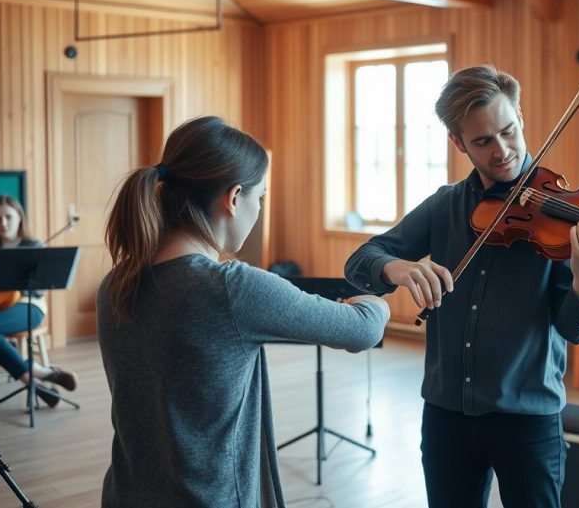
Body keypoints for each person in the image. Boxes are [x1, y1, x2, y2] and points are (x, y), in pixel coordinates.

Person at [345, 64, 579, 508]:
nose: (503, 151)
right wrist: (399, 269)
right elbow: (361, 261)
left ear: (521, 119)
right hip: (446, 414)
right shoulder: (445, 205)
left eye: (509, 131)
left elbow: (574, 329)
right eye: (482, 141)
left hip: (527, 417)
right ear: (458, 143)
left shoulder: (561, 212)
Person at [97, 116, 390, 507]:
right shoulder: (230, 288)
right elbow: (363, 330)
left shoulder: (116, 283)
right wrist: (376, 300)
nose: (258, 207)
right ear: (234, 198)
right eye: (261, 197)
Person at [0, 195, 78, 408]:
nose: (3, 223)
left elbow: (42, 287)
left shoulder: (32, 246)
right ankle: (38, 380)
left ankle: (40, 377)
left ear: (19, 218)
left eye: (8, 217)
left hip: (31, 307)